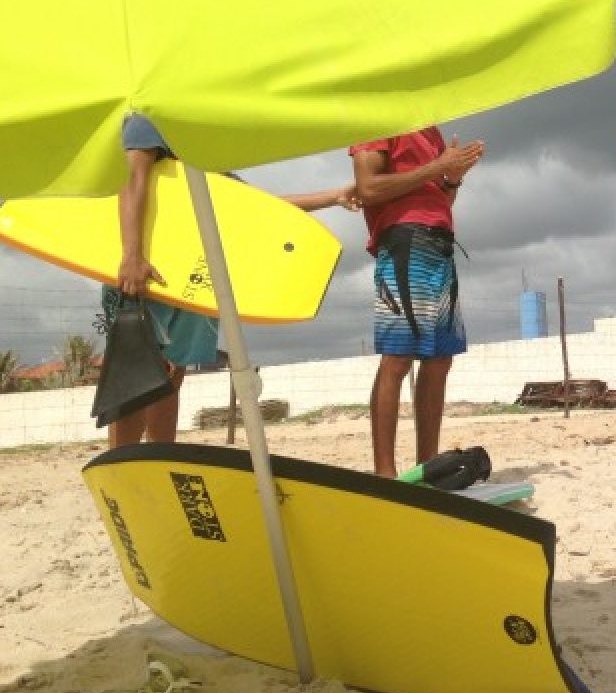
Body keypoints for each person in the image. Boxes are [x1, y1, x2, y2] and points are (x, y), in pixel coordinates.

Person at [106, 114, 359, 446]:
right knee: (135, 376)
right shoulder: (148, 120)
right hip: (147, 269)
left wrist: (334, 196)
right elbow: (132, 179)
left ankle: (161, 461)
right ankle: (122, 463)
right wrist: (132, 255)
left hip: (195, 276)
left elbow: (262, 209)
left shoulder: (206, 151)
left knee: (172, 376)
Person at [350, 128, 483, 476]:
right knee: (398, 356)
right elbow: (368, 188)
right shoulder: (378, 120)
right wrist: (436, 166)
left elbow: (437, 200)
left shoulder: (431, 131)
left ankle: (427, 467)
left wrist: (451, 179)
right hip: (403, 239)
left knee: (440, 359)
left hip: (440, 240)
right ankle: (385, 474)